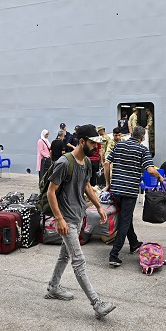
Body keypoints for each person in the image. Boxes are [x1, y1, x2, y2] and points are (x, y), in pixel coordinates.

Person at [44, 124, 116, 319]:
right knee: (79, 260)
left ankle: (53, 287)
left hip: (77, 215)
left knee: (64, 256)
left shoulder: (86, 163)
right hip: (67, 218)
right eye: (92, 143)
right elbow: (51, 191)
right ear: (82, 141)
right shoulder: (63, 162)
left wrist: (99, 206)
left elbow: (86, 186)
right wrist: (59, 219)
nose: (96, 146)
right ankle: (97, 303)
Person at [103, 125, 163, 267]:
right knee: (125, 220)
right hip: (129, 191)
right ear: (142, 138)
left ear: (131, 133)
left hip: (116, 189)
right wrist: (160, 177)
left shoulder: (119, 145)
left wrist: (108, 183)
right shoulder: (142, 149)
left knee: (126, 217)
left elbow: (106, 163)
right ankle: (114, 254)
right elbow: (150, 169)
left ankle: (134, 243)